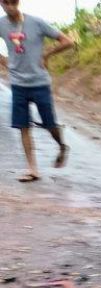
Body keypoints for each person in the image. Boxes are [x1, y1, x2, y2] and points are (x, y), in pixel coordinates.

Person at [0, 0, 73, 182]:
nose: (10, 6)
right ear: (1, 4)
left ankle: (62, 145)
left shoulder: (36, 22)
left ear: (18, 2)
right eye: (6, 3)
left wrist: (47, 55)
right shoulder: (1, 24)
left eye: (13, 2)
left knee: (50, 124)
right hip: (18, 84)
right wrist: (4, 61)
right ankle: (32, 169)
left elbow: (67, 41)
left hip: (39, 83)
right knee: (23, 126)